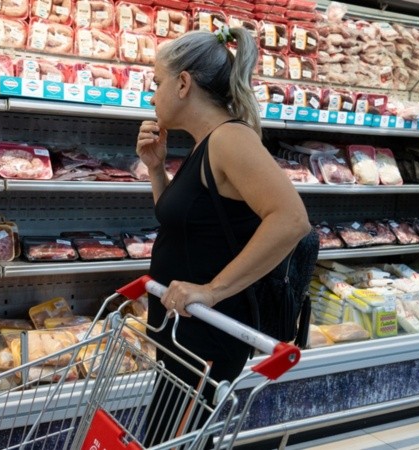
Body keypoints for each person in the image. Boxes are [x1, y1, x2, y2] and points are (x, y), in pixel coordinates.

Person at [135, 26, 312, 446]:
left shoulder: (231, 139)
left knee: (180, 440)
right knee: (171, 437)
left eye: (157, 83)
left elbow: (291, 220)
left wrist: (213, 290)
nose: (152, 95)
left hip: (210, 333)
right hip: (182, 330)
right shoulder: (203, 145)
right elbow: (179, 226)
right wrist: (156, 168)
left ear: (183, 84)